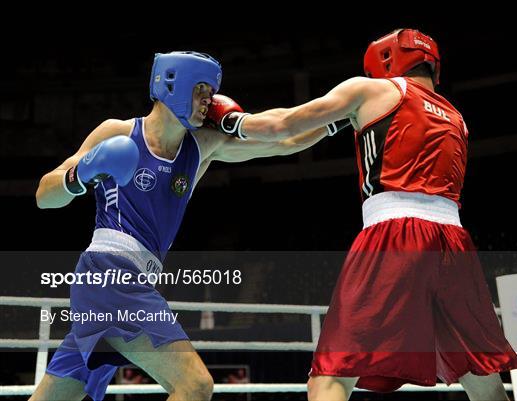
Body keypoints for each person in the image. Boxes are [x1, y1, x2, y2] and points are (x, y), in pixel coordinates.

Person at [213, 29, 517, 401]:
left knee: (330, 374)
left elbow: (284, 127)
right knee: (481, 377)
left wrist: (231, 122)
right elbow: (296, 140)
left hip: (394, 235)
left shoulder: (370, 91)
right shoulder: (456, 116)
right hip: (454, 245)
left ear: (386, 60)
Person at [33, 51, 349, 401]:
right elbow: (44, 196)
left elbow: (283, 140)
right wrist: (81, 175)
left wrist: (339, 116)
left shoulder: (201, 146)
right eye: (202, 90)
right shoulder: (118, 132)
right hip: (108, 274)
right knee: (195, 386)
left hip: (133, 280)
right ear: (174, 84)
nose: (209, 101)